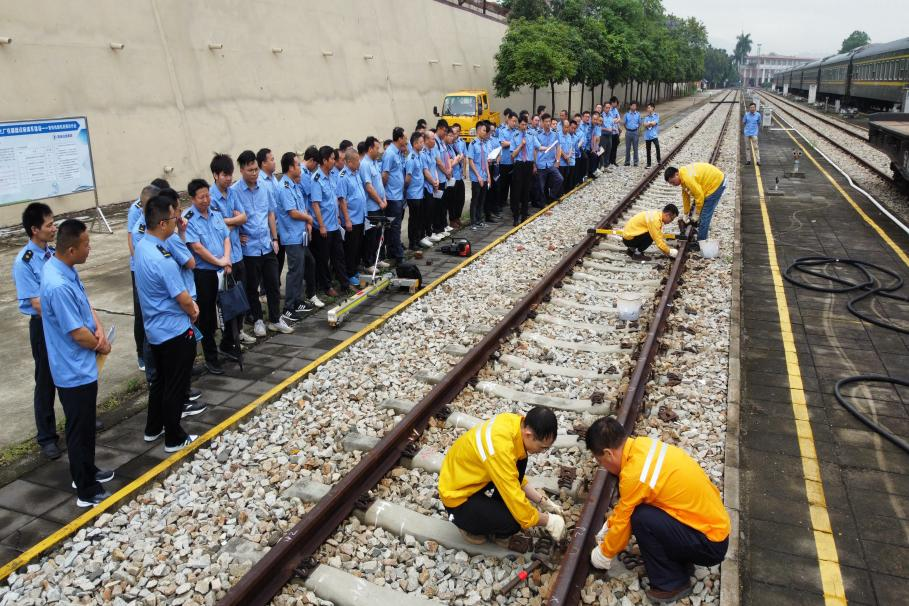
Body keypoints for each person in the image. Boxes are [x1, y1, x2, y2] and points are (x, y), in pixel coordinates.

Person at [586, 417, 729, 603]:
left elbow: (624, 521)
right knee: (645, 510)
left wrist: (603, 554)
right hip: (711, 529)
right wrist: (609, 525)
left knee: (641, 518)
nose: (602, 466)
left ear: (608, 453)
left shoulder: (634, 474)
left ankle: (672, 583)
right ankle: (680, 563)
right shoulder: (643, 445)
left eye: (600, 461)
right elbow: (624, 510)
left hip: (710, 544)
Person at [40, 219, 114, 506]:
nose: (90, 248)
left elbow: (86, 304)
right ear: (71, 249)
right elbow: (75, 332)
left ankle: (89, 470)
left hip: (82, 363)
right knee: (78, 427)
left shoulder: (65, 269)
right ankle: (86, 489)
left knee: (84, 425)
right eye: (86, 244)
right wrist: (100, 342)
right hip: (73, 368)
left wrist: (97, 327)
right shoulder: (57, 284)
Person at [438, 407, 566, 545]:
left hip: (470, 476)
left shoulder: (514, 424)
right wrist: (548, 521)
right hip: (457, 497)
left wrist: (543, 502)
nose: (542, 452)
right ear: (528, 434)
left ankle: (491, 513)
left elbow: (512, 475)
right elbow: (519, 506)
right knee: (514, 522)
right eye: (542, 447)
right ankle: (469, 526)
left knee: (521, 459)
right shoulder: (500, 448)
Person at [135, 197, 201, 454]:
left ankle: (153, 428)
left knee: (160, 382)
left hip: (155, 330)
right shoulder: (162, 258)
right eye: (174, 219)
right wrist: (193, 310)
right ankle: (174, 436)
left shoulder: (143, 246)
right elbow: (182, 297)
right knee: (175, 384)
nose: (177, 222)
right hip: (173, 330)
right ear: (163, 223)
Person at [13, 203, 61, 459]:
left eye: (53, 223)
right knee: (46, 380)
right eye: (49, 225)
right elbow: (37, 303)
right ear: (34, 230)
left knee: (67, 372)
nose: (54, 229)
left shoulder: (52, 254)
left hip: (62, 324)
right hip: (44, 326)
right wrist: (67, 319)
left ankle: (76, 418)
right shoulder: (25, 262)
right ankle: (46, 437)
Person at [232, 150, 292, 335]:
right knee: (252, 287)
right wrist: (238, 234)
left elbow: (270, 213)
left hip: (266, 244)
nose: (254, 173)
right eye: (250, 170)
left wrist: (275, 238)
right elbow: (230, 218)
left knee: (273, 284)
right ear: (241, 170)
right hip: (248, 248)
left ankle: (275, 318)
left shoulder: (265, 187)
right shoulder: (235, 192)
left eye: (256, 169)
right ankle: (258, 320)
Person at [209, 154, 258, 350]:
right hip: (224, 257)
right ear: (215, 175)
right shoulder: (211, 197)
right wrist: (232, 220)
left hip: (238, 254)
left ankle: (238, 333)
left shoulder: (233, 193)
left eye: (230, 175)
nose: (228, 179)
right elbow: (216, 225)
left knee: (241, 296)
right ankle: (228, 341)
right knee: (227, 301)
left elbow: (243, 217)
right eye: (224, 175)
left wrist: (229, 221)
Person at [184, 179, 233, 372]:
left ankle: (228, 345)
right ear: (193, 198)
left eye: (207, 195)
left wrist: (226, 259)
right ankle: (211, 358)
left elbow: (226, 237)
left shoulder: (215, 213)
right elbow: (197, 248)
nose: (205, 200)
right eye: (201, 197)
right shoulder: (189, 219)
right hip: (204, 273)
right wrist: (219, 261)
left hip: (223, 269)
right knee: (206, 317)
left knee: (230, 308)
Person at [128, 180, 168, 371]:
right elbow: (136, 246)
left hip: (157, 272)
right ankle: (144, 356)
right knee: (144, 315)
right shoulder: (140, 228)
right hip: (143, 272)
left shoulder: (160, 223)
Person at [276, 151, 316, 321]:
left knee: (304, 267)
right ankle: (288, 307)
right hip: (292, 236)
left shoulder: (294, 184)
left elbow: (302, 206)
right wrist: (308, 218)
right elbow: (292, 212)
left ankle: (298, 300)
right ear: (290, 167)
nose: (300, 167)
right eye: (298, 164)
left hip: (300, 234)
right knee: (295, 271)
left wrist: (307, 221)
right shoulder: (284, 186)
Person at [311, 145, 350, 296]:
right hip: (324, 227)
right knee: (324, 258)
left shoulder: (334, 175)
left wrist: (340, 217)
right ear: (325, 160)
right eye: (332, 158)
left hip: (334, 224)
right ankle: (326, 286)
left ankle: (344, 283)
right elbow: (315, 204)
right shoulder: (316, 179)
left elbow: (338, 198)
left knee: (339, 255)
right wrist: (321, 226)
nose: (334, 161)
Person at [664, 163, 726, 244]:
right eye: (671, 183)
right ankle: (701, 232)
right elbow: (685, 196)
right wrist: (686, 213)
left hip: (716, 184)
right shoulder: (682, 174)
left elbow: (699, 196)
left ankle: (701, 242)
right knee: (703, 211)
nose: (673, 185)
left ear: (676, 174)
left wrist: (697, 214)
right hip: (715, 180)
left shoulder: (687, 178)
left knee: (705, 215)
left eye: (673, 182)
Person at [336, 148, 367, 285]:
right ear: (349, 162)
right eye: (356, 161)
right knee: (350, 248)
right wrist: (347, 220)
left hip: (360, 217)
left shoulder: (356, 173)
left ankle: (354, 270)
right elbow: (342, 200)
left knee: (358, 246)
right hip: (351, 219)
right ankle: (350, 274)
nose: (359, 163)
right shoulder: (343, 177)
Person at [359, 137, 389, 273]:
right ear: (370, 148)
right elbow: (369, 187)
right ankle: (368, 262)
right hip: (372, 207)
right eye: (377, 148)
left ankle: (378, 258)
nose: (379, 151)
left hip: (380, 204)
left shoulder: (374, 162)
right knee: (371, 236)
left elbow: (379, 183)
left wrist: (384, 198)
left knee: (378, 234)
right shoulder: (365, 164)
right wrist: (380, 201)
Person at [381, 127, 407, 266]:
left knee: (394, 226)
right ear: (400, 138)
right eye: (405, 138)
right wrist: (384, 193)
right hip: (392, 196)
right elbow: (385, 175)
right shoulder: (390, 153)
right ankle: (398, 255)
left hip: (398, 195)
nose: (406, 140)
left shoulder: (398, 153)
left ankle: (393, 251)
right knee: (394, 226)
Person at [509, 115, 536, 225]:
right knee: (516, 192)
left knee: (526, 190)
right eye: (522, 124)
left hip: (528, 164)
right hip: (519, 165)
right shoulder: (514, 136)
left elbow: (534, 150)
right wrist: (521, 145)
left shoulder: (531, 135)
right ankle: (516, 217)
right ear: (519, 124)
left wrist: (534, 164)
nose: (524, 126)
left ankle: (524, 216)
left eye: (526, 124)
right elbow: (513, 155)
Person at [534, 113, 563, 204]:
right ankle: (542, 204)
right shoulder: (537, 134)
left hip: (551, 163)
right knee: (541, 186)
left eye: (549, 121)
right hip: (541, 163)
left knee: (559, 179)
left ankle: (552, 195)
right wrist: (534, 164)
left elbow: (558, 147)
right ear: (542, 122)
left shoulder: (555, 134)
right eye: (546, 121)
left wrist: (558, 160)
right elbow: (536, 149)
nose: (547, 123)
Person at [467, 122, 491, 229]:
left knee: (482, 199)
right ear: (478, 131)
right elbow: (471, 161)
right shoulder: (473, 144)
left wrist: (488, 175)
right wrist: (478, 176)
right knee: (475, 199)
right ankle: (473, 222)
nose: (485, 133)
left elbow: (485, 160)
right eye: (483, 130)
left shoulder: (484, 143)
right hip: (476, 177)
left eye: (486, 131)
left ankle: (480, 219)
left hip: (484, 175)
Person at [448, 124, 468, 228]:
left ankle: (457, 217)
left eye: (456, 133)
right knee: (453, 199)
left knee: (461, 197)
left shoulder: (460, 143)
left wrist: (464, 171)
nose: (454, 135)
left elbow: (464, 157)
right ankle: (452, 219)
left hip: (459, 174)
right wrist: (457, 159)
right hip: (452, 176)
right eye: (452, 134)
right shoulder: (448, 146)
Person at [644, 103, 661, 168]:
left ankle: (659, 160)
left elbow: (655, 123)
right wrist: (650, 123)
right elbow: (644, 124)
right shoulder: (646, 117)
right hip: (647, 136)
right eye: (647, 108)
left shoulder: (656, 115)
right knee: (648, 150)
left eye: (649, 107)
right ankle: (648, 164)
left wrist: (649, 123)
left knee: (657, 146)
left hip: (654, 135)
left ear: (653, 108)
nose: (648, 109)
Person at [624, 101, 641, 167]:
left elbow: (639, 123)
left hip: (635, 132)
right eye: (633, 105)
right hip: (628, 132)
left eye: (635, 106)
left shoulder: (638, 114)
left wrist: (636, 129)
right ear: (630, 106)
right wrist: (628, 129)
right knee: (628, 148)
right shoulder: (626, 114)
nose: (634, 107)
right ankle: (627, 161)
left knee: (635, 147)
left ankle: (635, 162)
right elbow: (624, 124)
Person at [608, 96, 621, 167]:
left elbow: (619, 118)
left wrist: (615, 120)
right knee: (610, 147)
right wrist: (615, 120)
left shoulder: (615, 110)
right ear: (612, 102)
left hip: (616, 132)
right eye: (616, 102)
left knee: (615, 147)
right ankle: (609, 161)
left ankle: (614, 161)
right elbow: (610, 121)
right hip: (610, 132)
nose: (616, 104)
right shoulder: (608, 110)